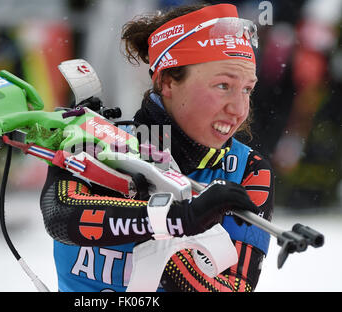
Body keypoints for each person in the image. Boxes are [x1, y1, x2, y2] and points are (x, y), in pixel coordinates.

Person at [40, 3, 274, 292]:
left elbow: (232, 289)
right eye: (223, 85)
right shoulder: (94, 139)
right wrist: (177, 218)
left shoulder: (246, 169)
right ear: (166, 82)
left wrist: (172, 231)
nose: (239, 109)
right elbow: (61, 215)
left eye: (247, 89)